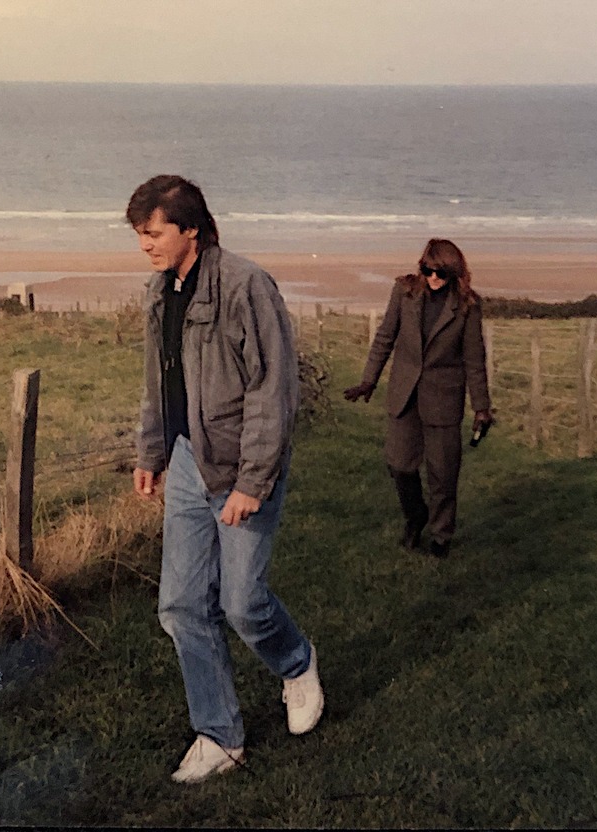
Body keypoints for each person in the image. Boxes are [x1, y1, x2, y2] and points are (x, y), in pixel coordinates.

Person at [128, 174, 322, 784]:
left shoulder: (245, 285)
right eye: (139, 234)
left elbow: (273, 390)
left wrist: (252, 483)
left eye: (153, 233)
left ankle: (296, 663)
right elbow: (159, 380)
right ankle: (220, 736)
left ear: (190, 228)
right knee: (181, 605)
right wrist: (152, 451)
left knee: (242, 604)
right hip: (188, 458)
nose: (145, 245)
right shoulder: (160, 291)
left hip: (243, 463)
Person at [343, 238, 493, 558]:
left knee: (443, 474)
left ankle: (441, 537)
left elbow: (474, 359)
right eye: (428, 270)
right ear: (421, 267)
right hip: (405, 393)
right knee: (399, 464)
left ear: (454, 272)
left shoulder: (468, 305)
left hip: (443, 399)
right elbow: (385, 337)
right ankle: (416, 516)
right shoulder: (404, 291)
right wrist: (369, 381)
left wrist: (481, 407)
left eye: (441, 272)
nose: (434, 277)